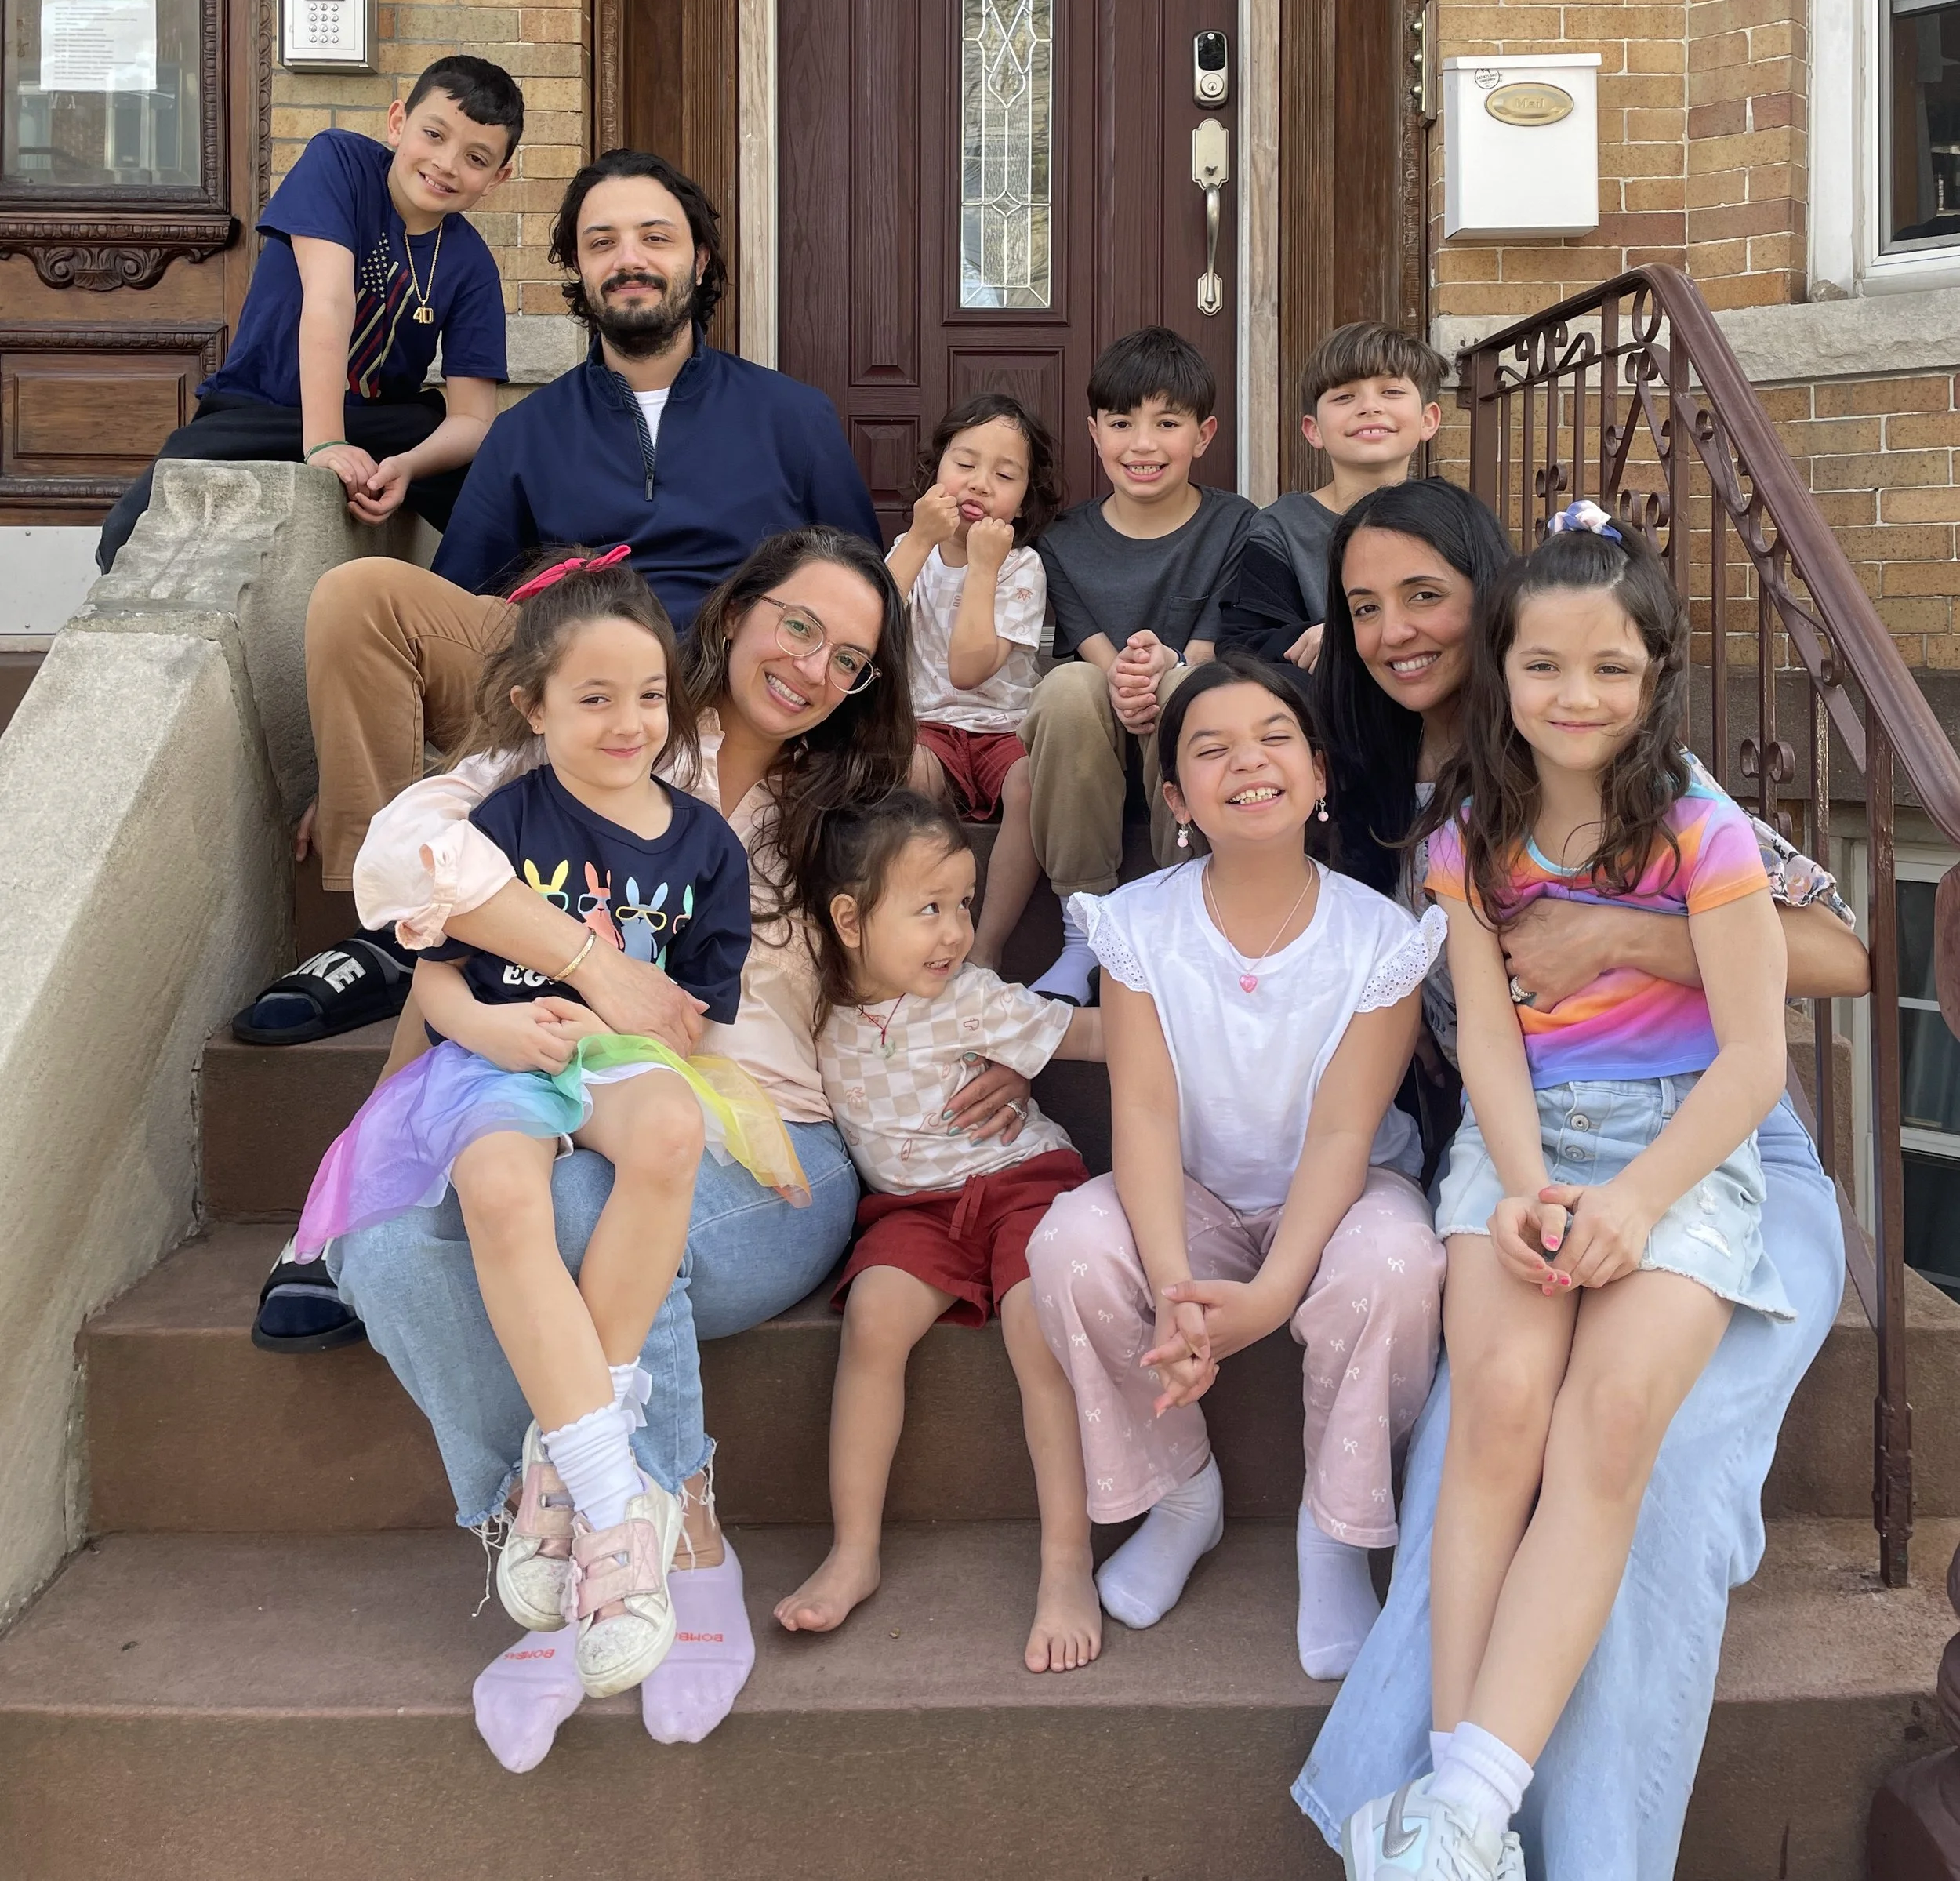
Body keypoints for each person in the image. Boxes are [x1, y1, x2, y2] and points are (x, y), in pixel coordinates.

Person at [318, 529, 1034, 1767]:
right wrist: (590, 963)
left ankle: (679, 1532)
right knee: (380, 1255)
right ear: (739, 611)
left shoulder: (852, 806)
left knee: (592, 1209)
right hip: (557, 1093)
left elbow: (937, 944)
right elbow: (403, 860)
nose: (814, 668)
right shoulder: (610, 713)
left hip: (769, 1151)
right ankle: (564, 1539)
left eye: (852, 659)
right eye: (797, 626)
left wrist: (1021, 1029)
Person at [1295, 480, 1870, 1881]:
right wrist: (1525, 1180)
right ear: (1509, 665)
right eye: (1363, 605)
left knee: (1616, 1432)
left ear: (1654, 672)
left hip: (1689, 1145)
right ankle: (1444, 1804)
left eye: (1421, 594)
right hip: (1526, 1144)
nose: (1391, 628)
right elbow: (1484, 1031)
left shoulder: (1695, 819)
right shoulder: (1450, 824)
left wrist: (1614, 941)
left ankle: (1480, 1808)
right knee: (1495, 1413)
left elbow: (1781, 1025)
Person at [296, 552, 808, 1717]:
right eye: (592, 698)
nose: (627, 722)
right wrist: (491, 1021)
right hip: (500, 1055)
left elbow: (687, 1022)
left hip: (625, 1064)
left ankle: (567, 1457)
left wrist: (638, 1020)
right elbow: (434, 979)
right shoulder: (502, 815)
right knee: (501, 1189)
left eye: (646, 696)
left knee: (672, 1130)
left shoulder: (702, 845)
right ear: (533, 707)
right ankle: (613, 1499)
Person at [237, 147, 882, 1044]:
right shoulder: (526, 431)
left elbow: (859, 590)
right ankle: (384, 931)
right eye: (601, 241)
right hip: (561, 676)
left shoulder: (791, 416)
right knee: (361, 594)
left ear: (700, 259)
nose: (630, 258)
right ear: (577, 270)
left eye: (655, 237)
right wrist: (359, 746)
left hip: (709, 691)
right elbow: (456, 603)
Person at [1027, 654, 1447, 1680]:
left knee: (1398, 1265)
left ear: (1318, 776)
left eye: (1274, 739)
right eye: (1210, 748)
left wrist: (1266, 1298)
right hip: (1199, 1197)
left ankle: (1335, 1525)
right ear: (1175, 796)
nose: (1246, 762)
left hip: (1341, 1199)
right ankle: (1180, 1493)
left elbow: (1346, 1135)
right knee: (1070, 1245)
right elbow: (1147, 1109)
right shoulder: (1138, 926)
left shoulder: (1379, 938)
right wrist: (1176, 1286)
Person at [773, 793, 1104, 1670]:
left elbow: (1095, 1036)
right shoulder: (811, 1000)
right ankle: (854, 1550)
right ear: (847, 919)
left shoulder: (971, 999)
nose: (956, 931)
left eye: (964, 903)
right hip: (913, 1210)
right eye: (930, 909)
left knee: (1039, 1323)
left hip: (1020, 1180)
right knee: (875, 1316)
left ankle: (1066, 1562)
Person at [96, 55, 521, 570]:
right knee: (131, 532)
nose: (447, 164)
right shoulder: (337, 162)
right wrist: (324, 443)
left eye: (476, 159)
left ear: (499, 176)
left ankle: (477, 617)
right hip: (262, 407)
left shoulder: (471, 263)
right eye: (433, 134)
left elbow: (473, 418)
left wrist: (408, 466)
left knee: (501, 493)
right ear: (397, 123)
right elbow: (330, 299)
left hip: (383, 422)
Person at [1025, 328, 1255, 1003]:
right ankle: (1083, 933)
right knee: (1070, 684)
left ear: (1204, 434)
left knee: (1192, 683)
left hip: (1180, 737)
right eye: (1122, 423)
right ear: (1095, 432)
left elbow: (1210, 645)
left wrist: (1167, 666)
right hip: (1090, 749)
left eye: (1168, 423)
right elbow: (1092, 646)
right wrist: (1128, 676)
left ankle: (1183, 903)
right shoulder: (1064, 539)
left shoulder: (1236, 525)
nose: (1143, 444)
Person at [887, 392, 1062, 968]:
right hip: (929, 729)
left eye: (1004, 474)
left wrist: (984, 566)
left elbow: (967, 669)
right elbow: (864, 632)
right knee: (907, 771)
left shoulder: (1021, 567)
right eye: (965, 464)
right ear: (936, 469)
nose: (981, 483)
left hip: (1001, 730)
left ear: (1024, 496)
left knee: (1032, 784)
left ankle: (986, 946)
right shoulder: (909, 552)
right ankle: (925, 926)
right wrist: (916, 542)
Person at [1216, 320, 1444, 672]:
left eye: (1391, 392)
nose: (1370, 407)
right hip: (1323, 707)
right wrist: (1328, 639)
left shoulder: (1455, 519)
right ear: (1314, 430)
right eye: (1344, 396)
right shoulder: (1282, 528)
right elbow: (1243, 641)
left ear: (1428, 420)